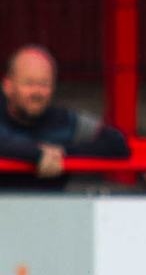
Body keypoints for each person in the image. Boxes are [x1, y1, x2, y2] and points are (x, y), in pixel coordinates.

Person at [0, 45, 130, 191]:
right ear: (8, 86)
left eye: (44, 84)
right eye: (29, 83)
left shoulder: (66, 121)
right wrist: (36, 154)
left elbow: (117, 144)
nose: (37, 92)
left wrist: (62, 152)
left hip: (54, 209)